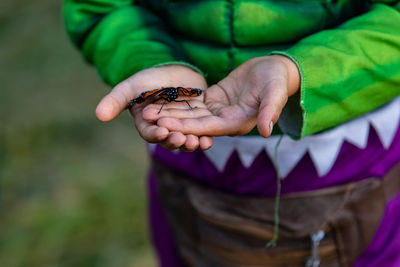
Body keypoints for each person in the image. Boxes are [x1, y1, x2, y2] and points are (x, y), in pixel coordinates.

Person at [64, 0, 400, 266]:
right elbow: (100, 8)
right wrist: (149, 61)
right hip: (187, 164)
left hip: (354, 164)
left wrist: (298, 70)